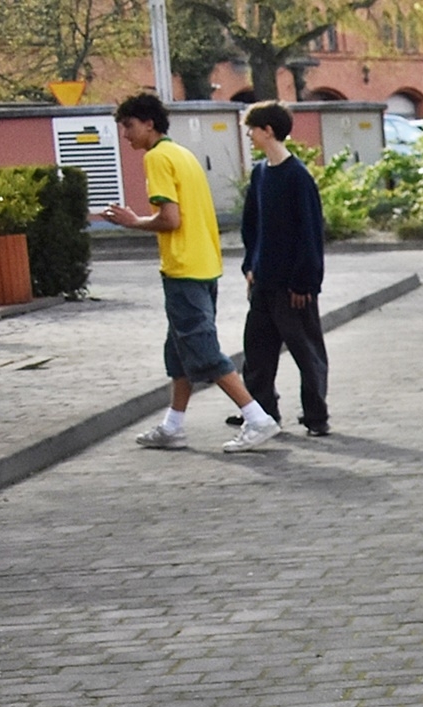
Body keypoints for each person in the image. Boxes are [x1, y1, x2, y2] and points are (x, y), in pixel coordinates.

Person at [100, 92, 280, 454]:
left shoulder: (158, 159)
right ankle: (173, 426)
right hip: (204, 265)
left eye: (129, 126)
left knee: (202, 350)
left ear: (149, 124)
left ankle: (257, 417)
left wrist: (133, 222)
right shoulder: (182, 154)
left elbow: (170, 219)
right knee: (179, 353)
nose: (126, 135)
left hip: (184, 268)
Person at [238, 102, 330, 438]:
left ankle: (316, 417)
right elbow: (253, 226)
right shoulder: (261, 173)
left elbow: (309, 234)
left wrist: (304, 282)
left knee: (307, 352)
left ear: (268, 131)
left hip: (293, 287)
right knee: (257, 352)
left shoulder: (298, 177)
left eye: (253, 128)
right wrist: (251, 265)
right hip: (263, 282)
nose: (249, 134)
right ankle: (262, 413)